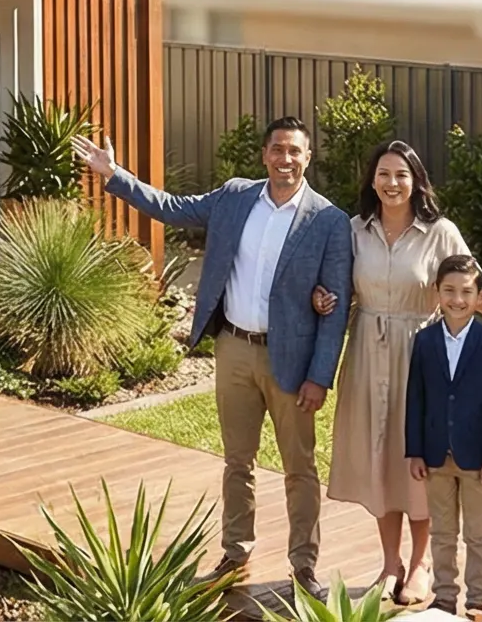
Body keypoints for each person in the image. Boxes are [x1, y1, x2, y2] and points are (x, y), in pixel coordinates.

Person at [75, 117, 351, 590]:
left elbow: (337, 306)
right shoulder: (235, 197)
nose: (286, 159)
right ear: (265, 154)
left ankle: (304, 565)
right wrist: (114, 175)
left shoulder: (328, 220)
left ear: (308, 158)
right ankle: (234, 552)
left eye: (295, 152)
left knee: (299, 467)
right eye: (278, 149)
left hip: (292, 361)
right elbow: (171, 207)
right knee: (237, 461)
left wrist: (320, 377)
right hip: (235, 350)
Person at [308, 141, 482, 605]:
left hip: (422, 356)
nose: (392, 183)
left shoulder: (440, 232)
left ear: (416, 181)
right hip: (367, 355)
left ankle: (419, 565)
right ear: (371, 180)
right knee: (379, 455)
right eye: (383, 174)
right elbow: (337, 286)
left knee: (417, 454)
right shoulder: (354, 229)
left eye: (401, 174)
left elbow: (473, 291)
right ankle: (389, 563)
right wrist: (323, 298)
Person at [404, 253, 482, 615]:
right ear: (437, 292)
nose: (457, 299)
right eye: (449, 290)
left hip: (477, 458)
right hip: (435, 456)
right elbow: (414, 399)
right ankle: (445, 595)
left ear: (480, 296)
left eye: (466, 291)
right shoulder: (425, 341)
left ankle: (479, 599)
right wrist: (415, 451)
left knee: (478, 534)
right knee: (443, 531)